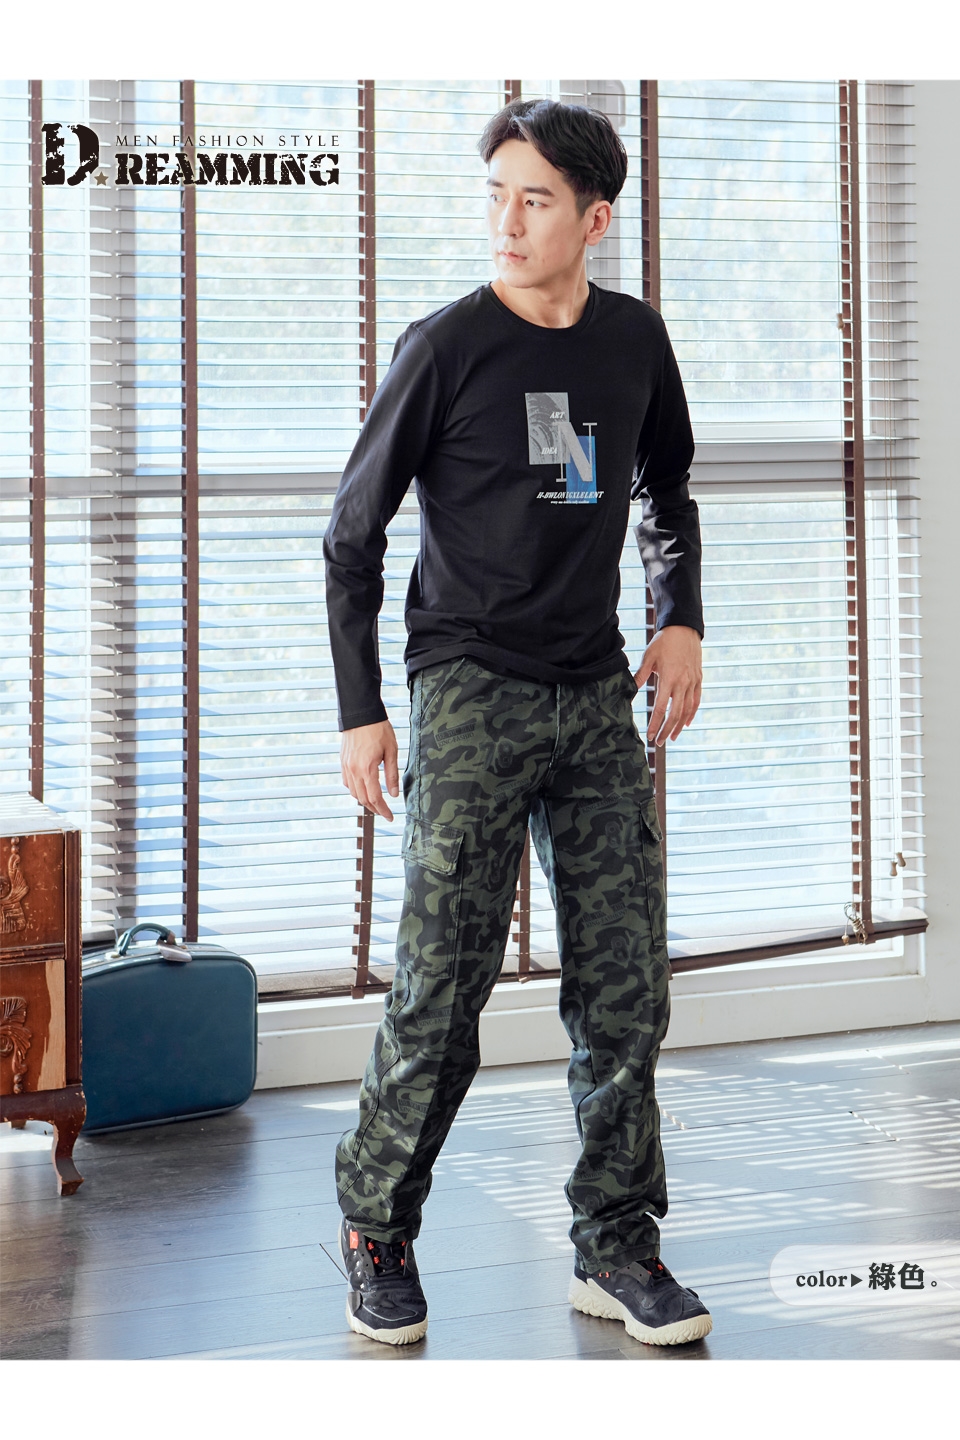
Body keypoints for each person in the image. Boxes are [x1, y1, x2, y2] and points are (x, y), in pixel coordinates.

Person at [322, 96, 711, 1350]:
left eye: (534, 198)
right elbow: (351, 538)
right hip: (470, 684)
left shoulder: (635, 341)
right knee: (444, 984)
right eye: (496, 194)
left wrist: (679, 619)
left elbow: (666, 488)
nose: (506, 219)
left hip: (593, 692)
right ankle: (376, 1228)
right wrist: (362, 712)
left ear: (594, 219)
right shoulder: (445, 348)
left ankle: (618, 1245)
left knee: (625, 983)